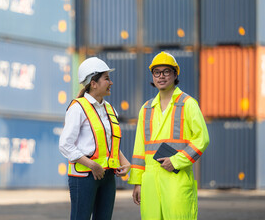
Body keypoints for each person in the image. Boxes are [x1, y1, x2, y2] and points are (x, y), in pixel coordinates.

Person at [128, 51, 210, 220]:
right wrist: (137, 182)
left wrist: (176, 161)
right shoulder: (146, 108)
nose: (161, 76)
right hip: (150, 182)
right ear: (152, 75)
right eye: (157, 72)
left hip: (176, 180)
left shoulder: (188, 104)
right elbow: (139, 149)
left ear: (175, 74)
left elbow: (202, 139)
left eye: (166, 71)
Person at [59, 57, 131, 220]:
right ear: (93, 83)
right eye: (107, 78)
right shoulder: (77, 108)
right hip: (84, 177)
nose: (111, 82)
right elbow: (65, 145)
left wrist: (125, 162)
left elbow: (109, 144)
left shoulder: (110, 109)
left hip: (107, 177)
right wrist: (92, 165)